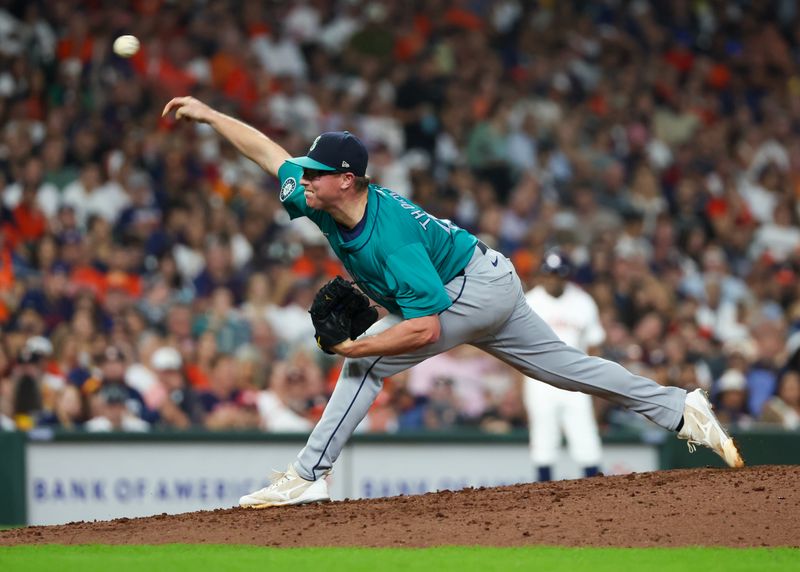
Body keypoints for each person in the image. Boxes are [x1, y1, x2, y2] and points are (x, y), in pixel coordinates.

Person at [161, 96, 745, 508]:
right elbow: (267, 152)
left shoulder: (389, 237)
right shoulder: (321, 195)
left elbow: (422, 330)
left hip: (469, 289)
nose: (304, 177)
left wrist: (352, 345)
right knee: (569, 370)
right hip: (485, 276)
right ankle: (679, 408)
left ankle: (307, 476)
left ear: (349, 179)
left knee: (364, 363)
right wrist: (211, 116)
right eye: (308, 170)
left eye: (317, 171)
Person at [522, 250, 604, 481]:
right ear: (542, 275)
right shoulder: (530, 301)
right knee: (543, 444)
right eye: (550, 274)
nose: (554, 279)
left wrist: (597, 388)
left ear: (567, 277)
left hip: (577, 380)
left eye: (559, 275)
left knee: (587, 441)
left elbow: (594, 346)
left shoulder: (583, 301)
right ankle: (545, 503)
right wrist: (518, 389)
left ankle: (597, 498)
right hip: (539, 382)